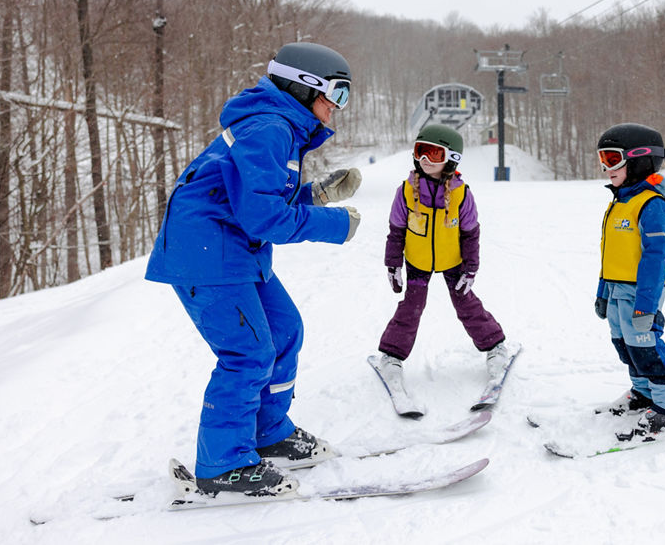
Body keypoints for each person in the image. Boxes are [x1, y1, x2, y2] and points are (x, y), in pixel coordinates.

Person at [145, 42, 363, 497]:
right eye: (336, 94)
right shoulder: (270, 128)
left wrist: (316, 195)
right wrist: (334, 224)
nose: (338, 107)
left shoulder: (280, 126)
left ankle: (268, 433)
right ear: (304, 87)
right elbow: (263, 217)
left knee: (284, 331)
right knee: (248, 353)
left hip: (233, 249)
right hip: (206, 254)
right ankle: (223, 464)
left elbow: (257, 196)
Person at [376, 124, 513, 381]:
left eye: (434, 154)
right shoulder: (405, 191)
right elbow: (396, 231)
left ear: (451, 158)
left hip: (453, 261)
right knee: (412, 306)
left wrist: (470, 268)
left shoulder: (461, 194)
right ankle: (391, 356)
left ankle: (495, 347)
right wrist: (393, 264)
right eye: (421, 151)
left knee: (466, 304)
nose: (425, 160)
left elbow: (470, 233)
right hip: (418, 261)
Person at [593, 123, 665, 437]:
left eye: (613, 159)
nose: (606, 167)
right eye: (603, 159)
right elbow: (609, 253)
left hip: (641, 292)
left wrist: (646, 306)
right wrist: (602, 292)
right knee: (625, 345)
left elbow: (655, 259)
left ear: (639, 160)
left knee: (646, 348)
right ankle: (645, 392)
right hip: (617, 288)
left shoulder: (653, 205)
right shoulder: (620, 201)